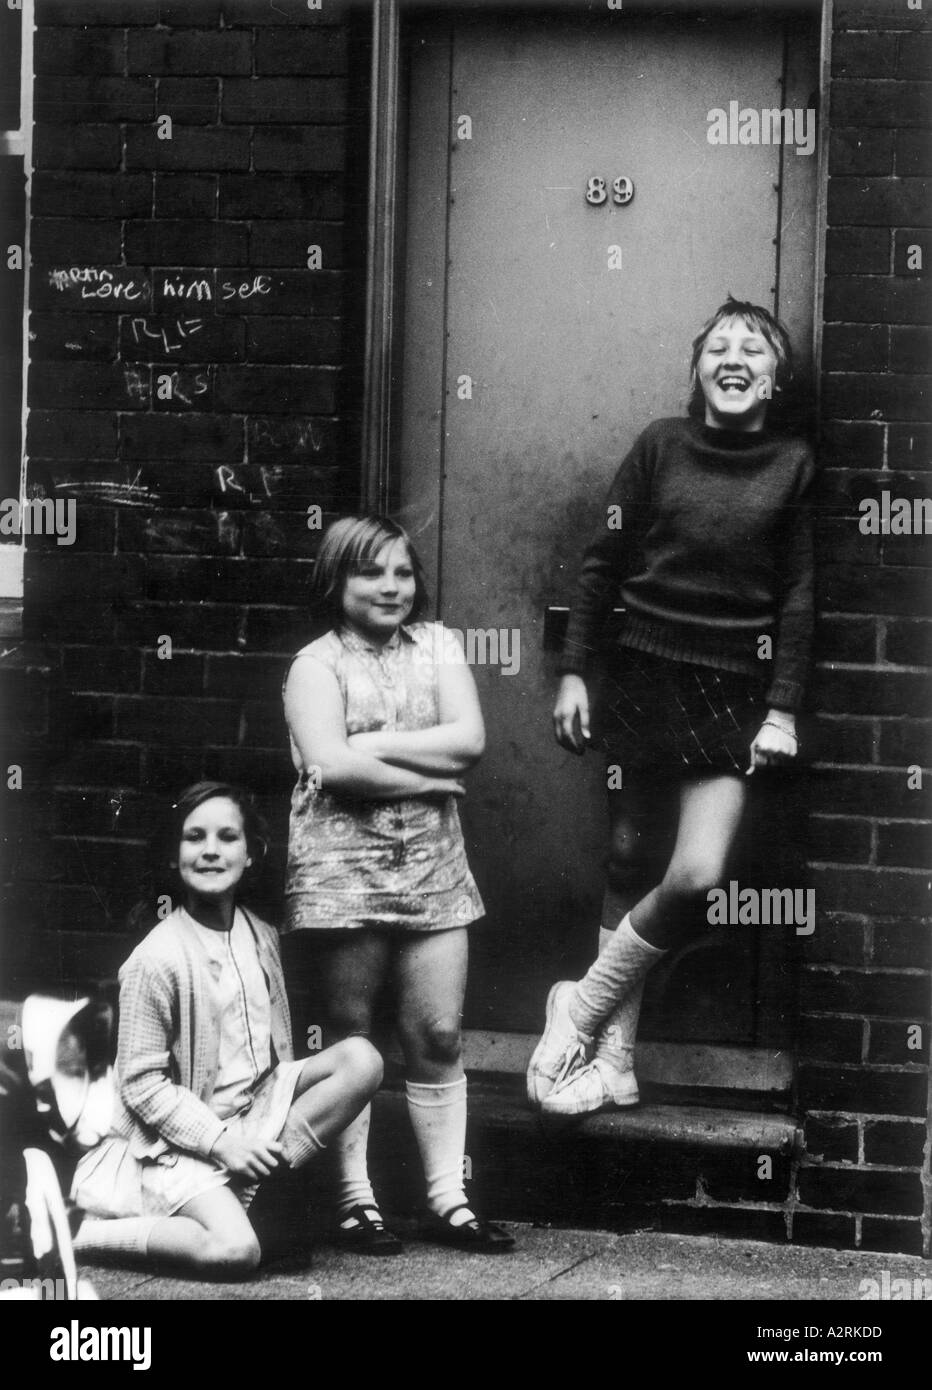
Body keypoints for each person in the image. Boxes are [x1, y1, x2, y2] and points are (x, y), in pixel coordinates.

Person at [527, 296, 815, 1117]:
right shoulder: (659, 446)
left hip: (735, 691)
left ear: (775, 378)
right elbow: (601, 563)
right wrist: (576, 671)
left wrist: (782, 709)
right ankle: (615, 1059)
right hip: (644, 674)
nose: (734, 359)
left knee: (695, 875)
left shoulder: (794, 464)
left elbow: (799, 597)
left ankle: (575, 1011)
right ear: (696, 371)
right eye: (718, 347)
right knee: (625, 859)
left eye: (753, 351)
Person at [282, 515, 514, 1253]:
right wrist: (430, 772)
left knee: (438, 1032)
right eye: (371, 572)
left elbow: (470, 742)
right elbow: (330, 765)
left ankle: (450, 1198)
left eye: (402, 573)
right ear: (336, 581)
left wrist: (371, 745)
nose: (391, 587)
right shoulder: (314, 666)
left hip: (434, 865)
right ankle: (356, 1200)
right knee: (354, 1038)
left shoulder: (440, 646)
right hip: (339, 868)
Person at [70, 781, 382, 1277]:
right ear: (174, 857)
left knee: (362, 1059)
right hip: (178, 1142)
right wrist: (222, 1144)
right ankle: (79, 1232)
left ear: (252, 853)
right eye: (194, 837)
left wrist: (258, 1131)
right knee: (235, 1253)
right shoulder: (157, 958)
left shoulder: (261, 934)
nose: (211, 850)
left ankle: (268, 1187)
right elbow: (141, 1085)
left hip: (252, 1113)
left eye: (227, 837)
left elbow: (270, 1058)